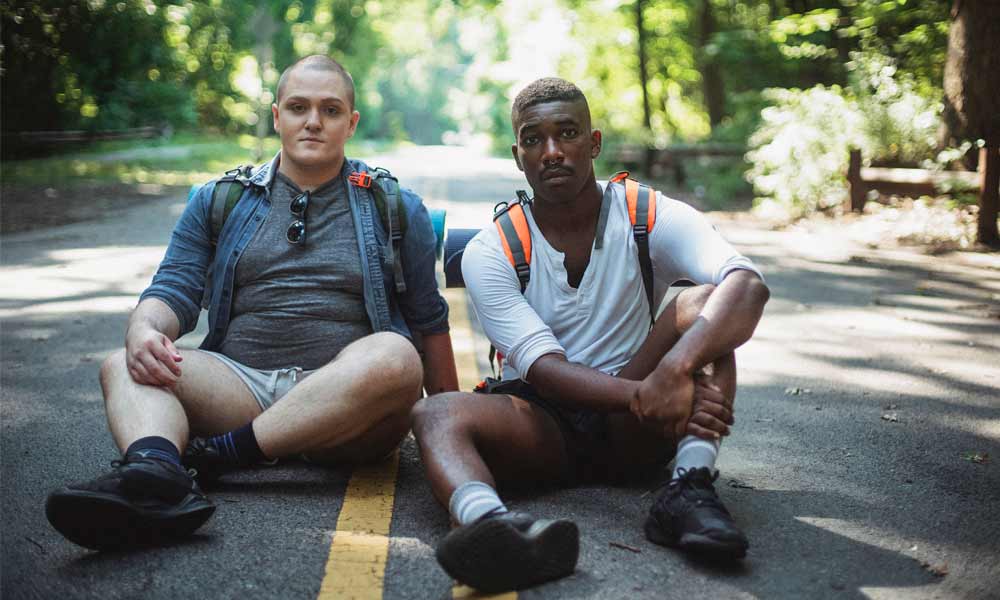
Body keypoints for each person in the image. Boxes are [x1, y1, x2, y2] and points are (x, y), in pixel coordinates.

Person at [45, 55, 457, 551]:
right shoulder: (220, 198)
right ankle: (155, 476)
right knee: (123, 364)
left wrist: (452, 428)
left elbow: (429, 322)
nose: (312, 121)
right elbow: (174, 287)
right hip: (240, 388)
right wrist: (145, 329)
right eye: (299, 107)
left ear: (350, 123)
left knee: (395, 354)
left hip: (350, 412)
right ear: (276, 115)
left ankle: (219, 457)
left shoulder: (391, 204)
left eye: (330, 110)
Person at [411, 77, 769, 593]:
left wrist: (671, 372)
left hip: (636, 421)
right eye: (534, 139)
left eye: (568, 133)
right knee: (434, 413)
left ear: (594, 143)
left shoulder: (646, 213)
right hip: (542, 421)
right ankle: (491, 527)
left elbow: (748, 286)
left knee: (707, 306)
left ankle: (689, 488)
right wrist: (649, 395)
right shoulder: (493, 249)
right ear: (518, 156)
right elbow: (545, 372)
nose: (552, 151)